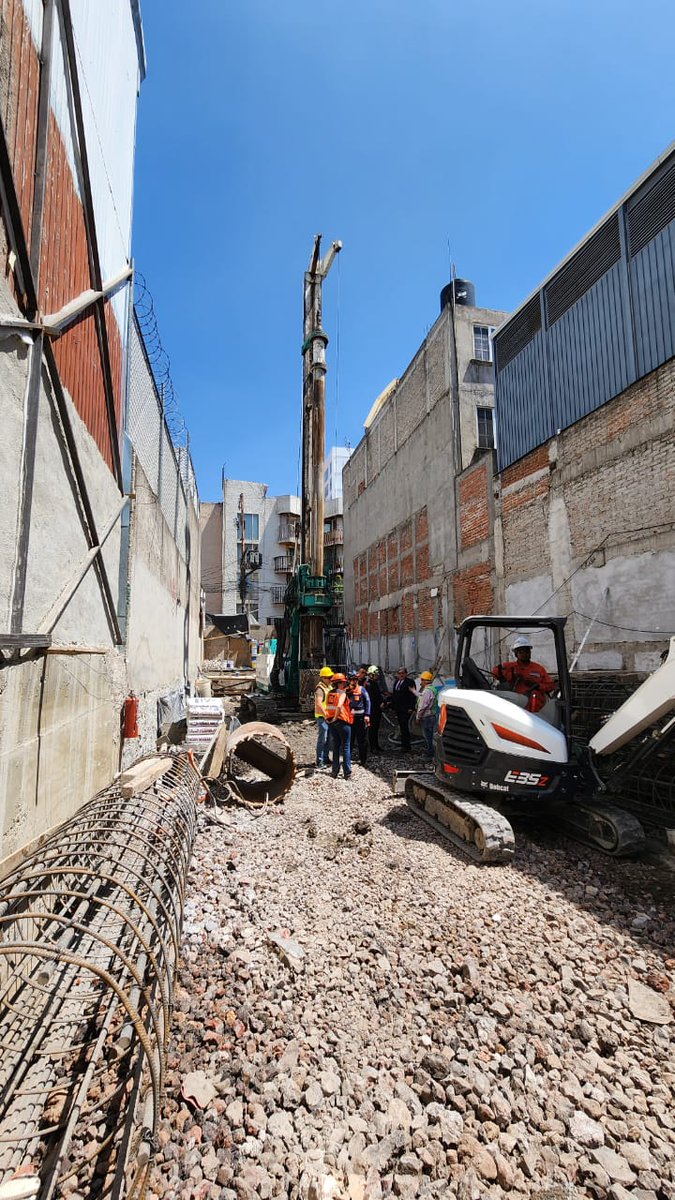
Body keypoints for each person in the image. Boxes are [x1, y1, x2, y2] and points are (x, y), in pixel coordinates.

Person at [492, 635, 555, 713]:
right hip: (516, 706)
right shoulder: (509, 667)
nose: (525, 654)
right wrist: (504, 680)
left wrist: (538, 686)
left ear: (530, 652)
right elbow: (495, 671)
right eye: (521, 652)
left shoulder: (538, 669)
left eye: (527, 651)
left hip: (535, 710)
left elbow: (551, 685)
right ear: (516, 654)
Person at [326, 674, 353, 779]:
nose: (345, 684)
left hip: (331, 722)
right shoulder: (342, 694)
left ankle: (334, 772)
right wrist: (336, 717)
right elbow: (339, 706)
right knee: (346, 746)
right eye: (343, 682)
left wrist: (330, 719)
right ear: (340, 683)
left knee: (336, 747)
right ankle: (347, 773)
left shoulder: (330, 694)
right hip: (342, 722)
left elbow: (327, 707)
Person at [391, 666, 417, 752]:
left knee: (405, 726)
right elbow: (395, 694)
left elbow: (412, 696)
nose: (401, 675)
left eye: (403, 673)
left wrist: (411, 707)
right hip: (398, 708)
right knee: (401, 726)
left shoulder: (409, 682)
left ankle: (407, 746)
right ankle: (403, 744)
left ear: (406, 674)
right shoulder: (397, 682)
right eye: (399, 673)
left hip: (406, 708)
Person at [348, 671, 371, 765]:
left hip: (360, 718)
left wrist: (367, 715)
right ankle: (347, 759)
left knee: (361, 740)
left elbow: (368, 702)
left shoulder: (362, 689)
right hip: (349, 719)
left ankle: (363, 760)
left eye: (355, 679)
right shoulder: (347, 690)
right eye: (351, 679)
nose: (353, 681)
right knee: (349, 740)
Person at [314, 666, 333, 767]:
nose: (331, 679)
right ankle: (319, 761)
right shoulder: (320, 688)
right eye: (329, 677)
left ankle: (326, 758)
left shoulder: (328, 687)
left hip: (328, 717)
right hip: (322, 717)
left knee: (328, 739)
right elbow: (319, 703)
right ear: (323, 678)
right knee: (323, 739)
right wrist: (325, 714)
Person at [415, 671, 436, 758]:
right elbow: (422, 696)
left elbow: (423, 706)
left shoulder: (427, 691)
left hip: (427, 716)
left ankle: (430, 753)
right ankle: (430, 751)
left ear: (424, 680)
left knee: (428, 736)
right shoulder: (432, 689)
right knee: (430, 734)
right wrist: (414, 691)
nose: (421, 682)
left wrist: (418, 717)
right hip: (431, 715)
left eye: (421, 680)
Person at [365, 666, 385, 754]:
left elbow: (378, 695)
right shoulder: (368, 685)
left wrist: (383, 702)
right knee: (372, 729)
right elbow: (371, 699)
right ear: (371, 675)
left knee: (376, 729)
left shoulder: (375, 683)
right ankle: (372, 747)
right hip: (372, 711)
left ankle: (376, 745)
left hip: (377, 710)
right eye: (376, 675)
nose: (377, 676)